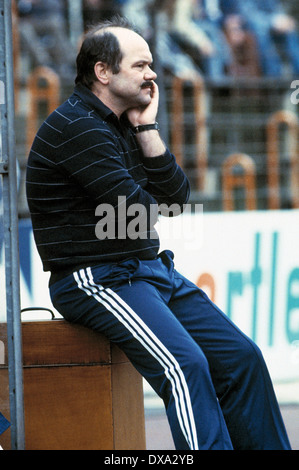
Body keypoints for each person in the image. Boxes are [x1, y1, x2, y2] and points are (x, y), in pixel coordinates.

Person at [26, 16, 291, 450]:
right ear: (103, 72)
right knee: (184, 368)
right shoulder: (77, 126)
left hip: (146, 270)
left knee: (242, 359)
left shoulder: (123, 121)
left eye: (151, 64)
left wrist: (147, 129)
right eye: (140, 65)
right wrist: (153, 201)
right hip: (95, 277)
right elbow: (143, 212)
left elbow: (176, 196)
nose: (152, 74)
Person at [219, 0, 299, 77]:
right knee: (260, 31)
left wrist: (282, 18)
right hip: (245, 23)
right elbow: (246, 14)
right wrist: (271, 21)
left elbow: (275, 8)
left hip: (267, 22)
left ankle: (297, 76)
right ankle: (273, 79)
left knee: (289, 30)